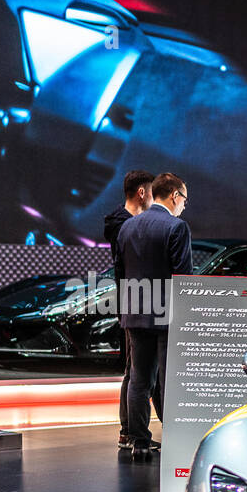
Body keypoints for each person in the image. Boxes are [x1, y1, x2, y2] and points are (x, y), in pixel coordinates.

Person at [117, 173, 192, 460]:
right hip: (167, 314)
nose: (184, 206)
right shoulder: (177, 226)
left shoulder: (127, 226)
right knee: (168, 379)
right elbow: (183, 276)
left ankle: (139, 441)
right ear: (174, 196)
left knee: (139, 379)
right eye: (184, 200)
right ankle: (174, 435)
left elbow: (121, 273)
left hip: (135, 312)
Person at [106, 170, 156, 452]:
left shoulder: (124, 223)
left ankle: (129, 432)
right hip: (136, 303)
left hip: (134, 302)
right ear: (141, 192)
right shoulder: (124, 226)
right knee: (135, 372)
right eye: (151, 191)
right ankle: (131, 432)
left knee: (133, 370)